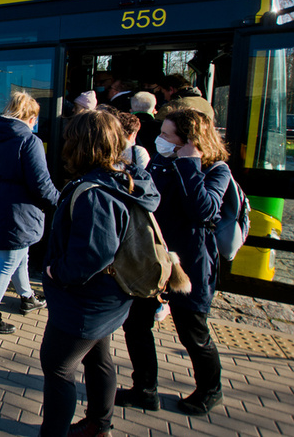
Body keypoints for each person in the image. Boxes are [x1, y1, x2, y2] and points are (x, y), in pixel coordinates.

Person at [39, 109, 159, 437]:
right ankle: (99, 425)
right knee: (98, 358)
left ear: (82, 144)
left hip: (85, 301)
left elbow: (92, 254)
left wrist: (55, 272)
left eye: (70, 138)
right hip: (109, 297)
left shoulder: (94, 192)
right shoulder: (124, 177)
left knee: (58, 367)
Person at [116, 108, 229, 416]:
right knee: (136, 324)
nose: (160, 140)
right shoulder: (162, 163)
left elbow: (202, 210)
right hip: (154, 258)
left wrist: (190, 164)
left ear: (191, 141)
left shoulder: (216, 170)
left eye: (167, 135)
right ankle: (145, 389)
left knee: (192, 330)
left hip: (191, 263)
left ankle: (210, 388)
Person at [0, 92, 58, 334]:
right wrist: (60, 201)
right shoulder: (30, 141)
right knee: (7, 261)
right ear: (31, 117)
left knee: (20, 254)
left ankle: (27, 296)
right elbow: (41, 183)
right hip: (18, 211)